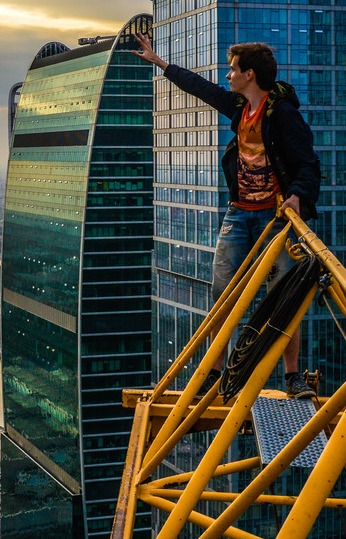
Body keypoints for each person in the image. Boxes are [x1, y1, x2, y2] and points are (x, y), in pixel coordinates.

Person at [133, 32, 321, 398]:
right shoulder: (240, 108)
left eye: (233, 70)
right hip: (239, 214)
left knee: (285, 296)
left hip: (275, 218)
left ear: (250, 74)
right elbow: (201, 88)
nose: (228, 76)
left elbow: (308, 165)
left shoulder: (281, 113)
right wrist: (161, 63)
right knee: (223, 295)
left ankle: (292, 376)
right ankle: (214, 374)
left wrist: (297, 197)